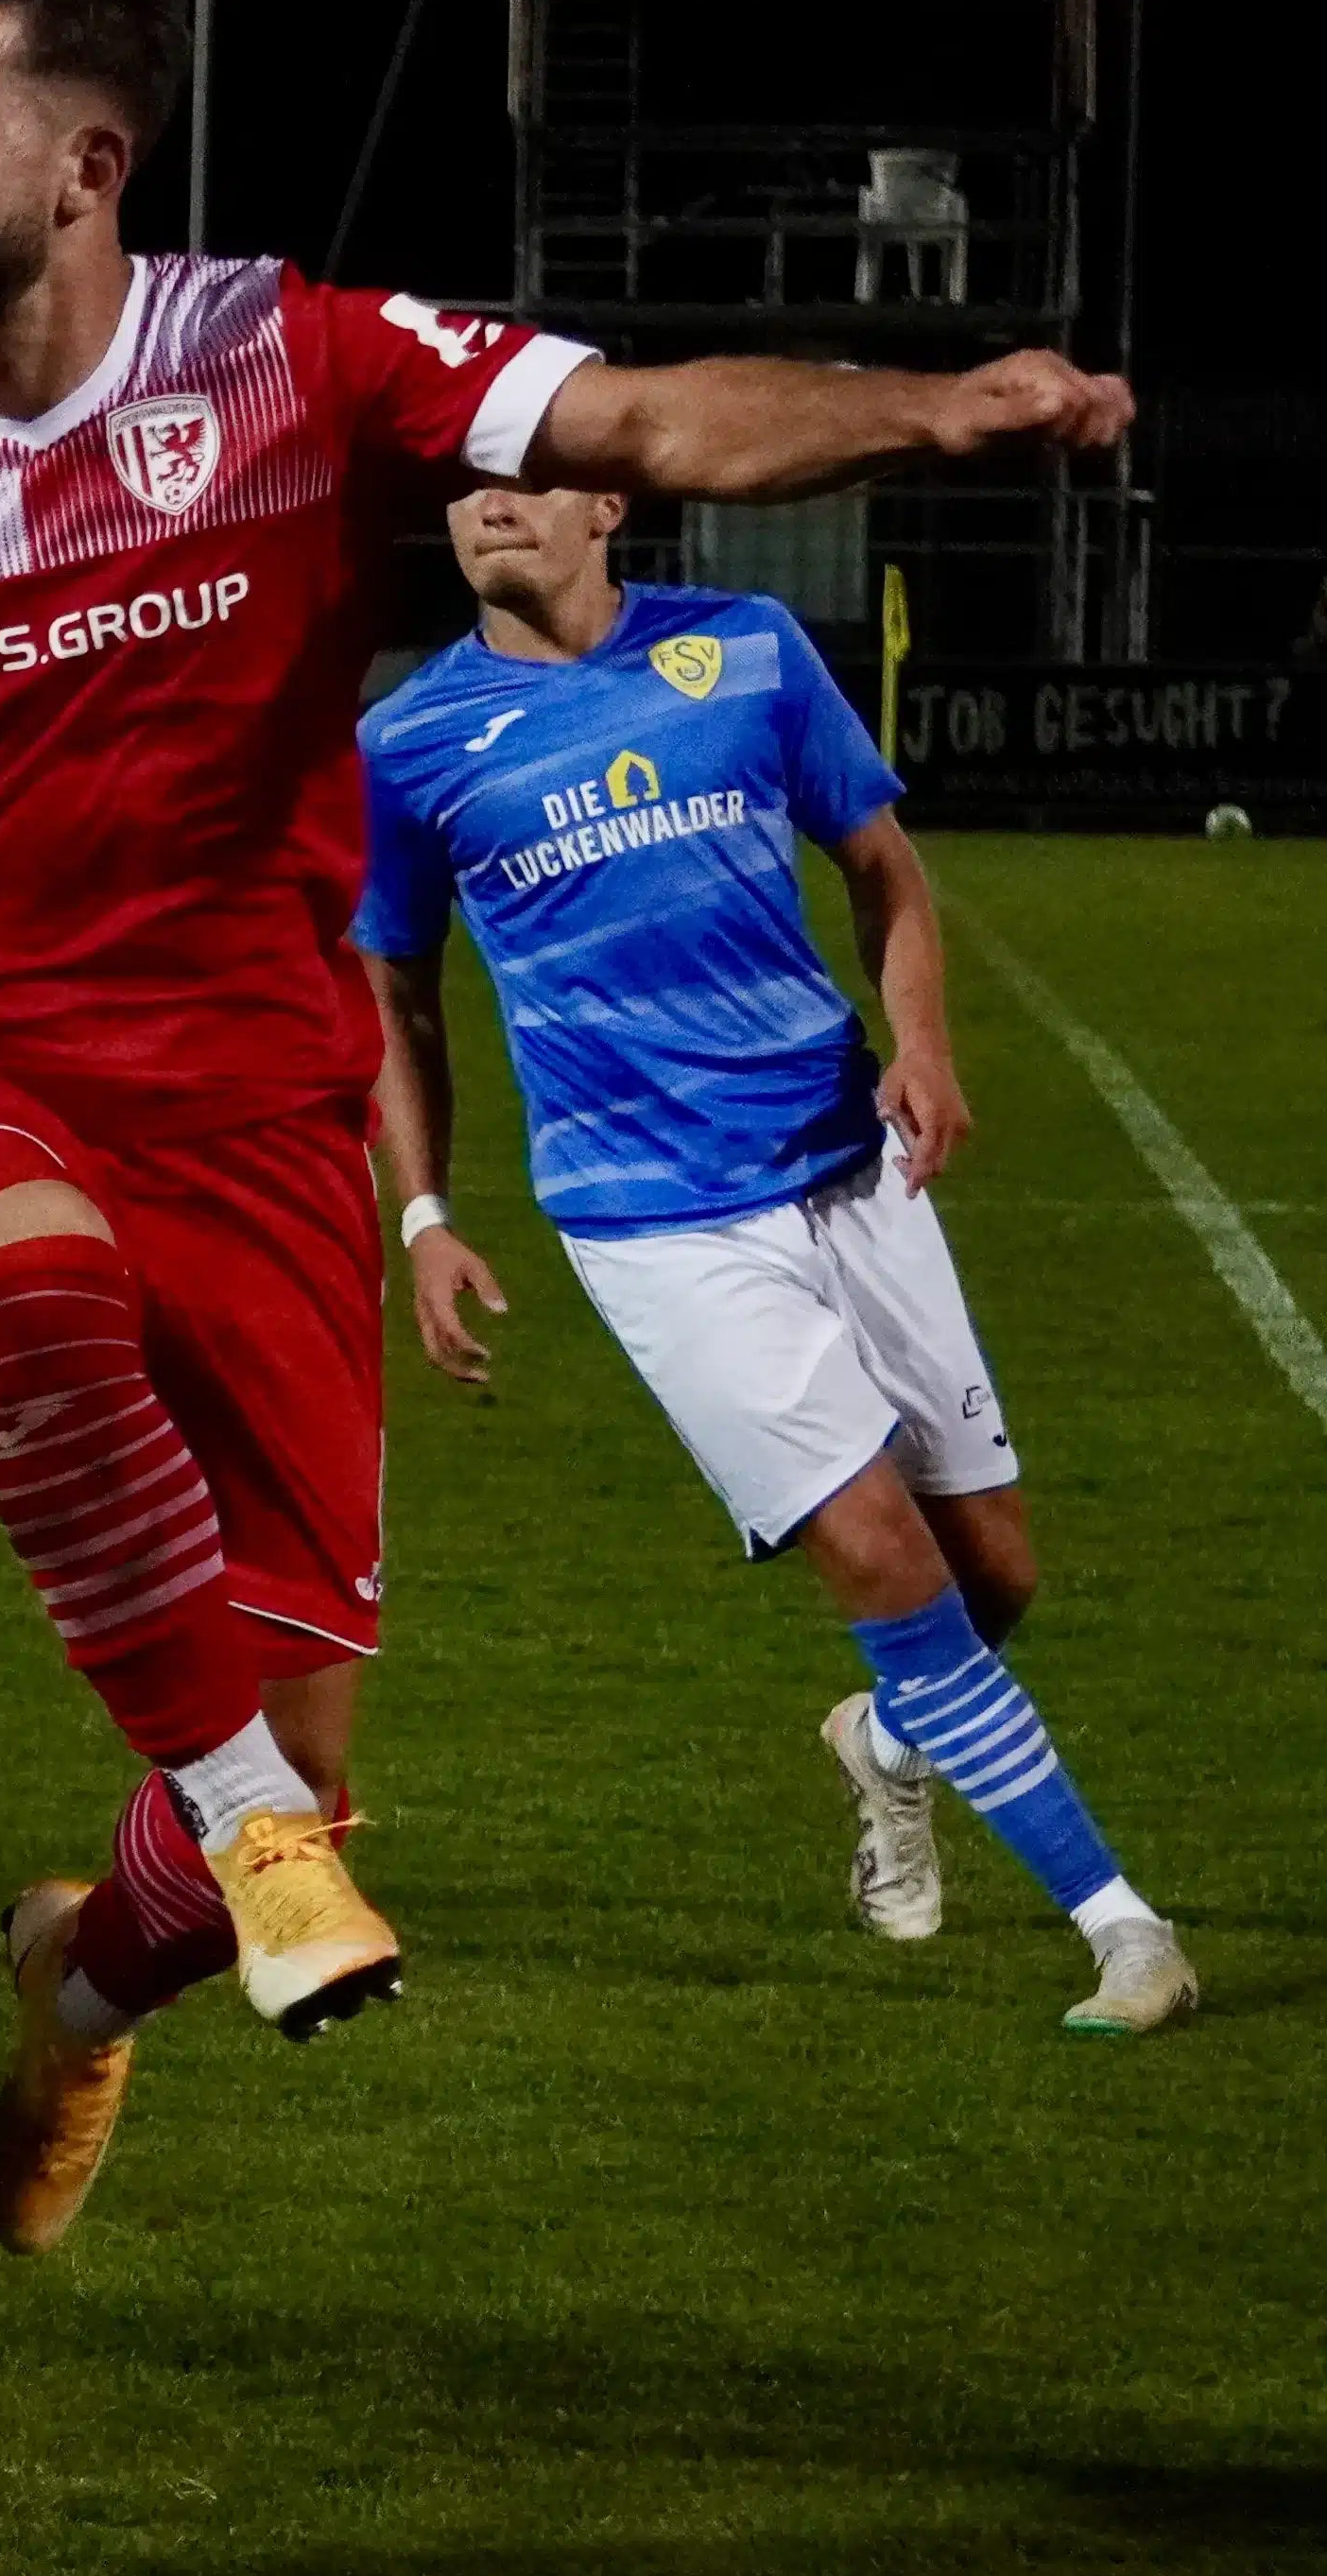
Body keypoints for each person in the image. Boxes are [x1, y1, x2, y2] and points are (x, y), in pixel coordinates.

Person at [0, 0, 1137, 2253]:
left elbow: (652, 420)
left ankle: (79, 1985)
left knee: (280, 1798)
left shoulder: (285, 359)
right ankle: (244, 1838)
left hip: (257, 1137)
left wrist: (942, 406)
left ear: (83, 164)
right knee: (39, 1304)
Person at [355, 482, 1198, 2035]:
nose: (491, 509)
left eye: (527, 475)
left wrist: (923, 1046)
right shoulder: (408, 743)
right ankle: (1121, 1928)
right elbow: (391, 995)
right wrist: (423, 1215)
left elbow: (882, 867)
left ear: (605, 500)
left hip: (842, 1163)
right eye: (465, 487)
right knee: (885, 1559)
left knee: (992, 1572)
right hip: (650, 1221)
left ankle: (883, 1746)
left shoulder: (739, 652)